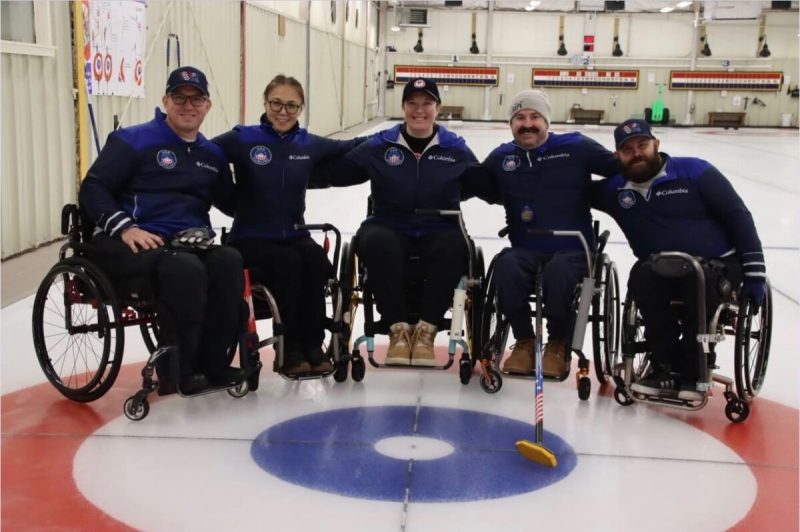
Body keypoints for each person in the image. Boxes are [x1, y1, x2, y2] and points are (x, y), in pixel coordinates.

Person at [79, 66, 245, 394]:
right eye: (179, 98)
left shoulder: (211, 155)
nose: (188, 105)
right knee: (184, 269)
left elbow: (232, 202)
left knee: (229, 261)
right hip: (138, 240)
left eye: (196, 99)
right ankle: (178, 369)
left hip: (190, 243)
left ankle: (214, 363)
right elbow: (93, 188)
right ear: (166, 101)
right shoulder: (133, 140)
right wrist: (125, 228)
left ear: (207, 105)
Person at [593, 118, 766, 399]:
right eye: (627, 149)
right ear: (617, 156)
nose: (636, 153)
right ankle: (665, 367)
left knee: (694, 279)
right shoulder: (615, 189)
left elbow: (738, 217)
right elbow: (567, 193)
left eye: (642, 144)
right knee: (642, 275)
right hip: (660, 267)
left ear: (656, 145)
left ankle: (695, 367)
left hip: (717, 266)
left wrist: (756, 275)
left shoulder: (696, 172)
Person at [324, 77, 483, 366]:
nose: (419, 110)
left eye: (427, 104)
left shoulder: (455, 148)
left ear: (437, 108)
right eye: (412, 103)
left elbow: (479, 184)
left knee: (455, 247)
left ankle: (426, 331)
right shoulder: (381, 145)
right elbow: (340, 171)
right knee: (375, 242)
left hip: (440, 225)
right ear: (403, 106)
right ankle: (397, 329)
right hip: (388, 222)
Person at [213, 75, 362, 377]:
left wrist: (398, 135)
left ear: (301, 107)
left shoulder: (309, 143)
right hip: (251, 237)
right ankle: (291, 347)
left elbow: (352, 145)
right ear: (265, 103)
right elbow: (201, 154)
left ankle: (313, 344)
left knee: (317, 261)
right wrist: (228, 199)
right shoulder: (242, 137)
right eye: (276, 103)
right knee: (289, 263)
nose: (283, 111)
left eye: (291, 105)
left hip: (294, 233)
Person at [472, 89, 619, 377]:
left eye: (534, 116)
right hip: (526, 247)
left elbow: (619, 168)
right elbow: (478, 185)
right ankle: (525, 340)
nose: (527, 123)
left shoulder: (576, 146)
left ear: (547, 121)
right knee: (506, 266)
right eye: (519, 118)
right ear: (511, 124)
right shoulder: (502, 157)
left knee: (559, 272)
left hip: (574, 249)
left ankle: (558, 343)